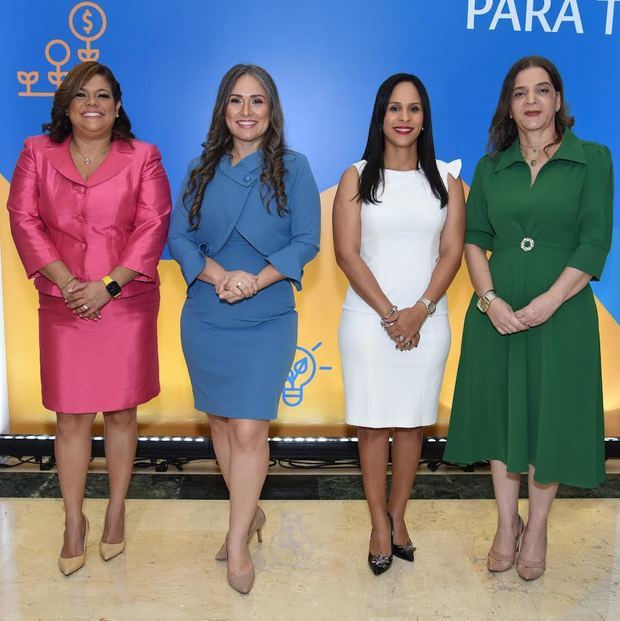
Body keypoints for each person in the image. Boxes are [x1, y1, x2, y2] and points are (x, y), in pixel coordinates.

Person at [444, 56, 614, 581]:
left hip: (562, 315)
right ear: (509, 106)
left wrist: (549, 301)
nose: (533, 101)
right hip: (497, 315)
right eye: (521, 93)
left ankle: (537, 528)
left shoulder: (594, 159)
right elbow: (474, 240)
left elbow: (594, 242)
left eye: (543, 91)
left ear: (559, 101)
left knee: (548, 421)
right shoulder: (491, 167)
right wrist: (489, 300)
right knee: (502, 417)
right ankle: (504, 523)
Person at [7, 62, 171, 575]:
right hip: (63, 301)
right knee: (71, 416)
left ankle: (116, 512)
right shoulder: (37, 152)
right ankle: (73, 520)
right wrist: (64, 281)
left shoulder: (144, 156)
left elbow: (153, 224)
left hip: (123, 301)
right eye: (81, 95)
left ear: (118, 106)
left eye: (103, 95)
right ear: (65, 105)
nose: (92, 103)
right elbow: (22, 216)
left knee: (122, 413)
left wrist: (108, 285)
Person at [168, 64, 320, 594]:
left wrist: (254, 281)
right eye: (237, 101)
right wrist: (219, 276)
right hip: (208, 310)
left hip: (268, 309)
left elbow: (306, 241)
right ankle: (247, 514)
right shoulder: (199, 169)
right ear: (222, 110)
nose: (247, 111)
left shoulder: (294, 168)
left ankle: (236, 543)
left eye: (258, 101)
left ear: (271, 110)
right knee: (222, 425)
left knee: (251, 428)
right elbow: (181, 239)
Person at [333, 73, 465, 575]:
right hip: (368, 324)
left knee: (412, 425)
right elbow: (347, 254)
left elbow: (452, 253)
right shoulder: (356, 176)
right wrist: (392, 314)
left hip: (428, 321)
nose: (404, 118)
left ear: (425, 117)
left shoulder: (447, 180)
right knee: (372, 425)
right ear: (380, 115)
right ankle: (378, 524)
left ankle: (399, 516)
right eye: (394, 108)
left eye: (413, 109)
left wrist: (420, 311)